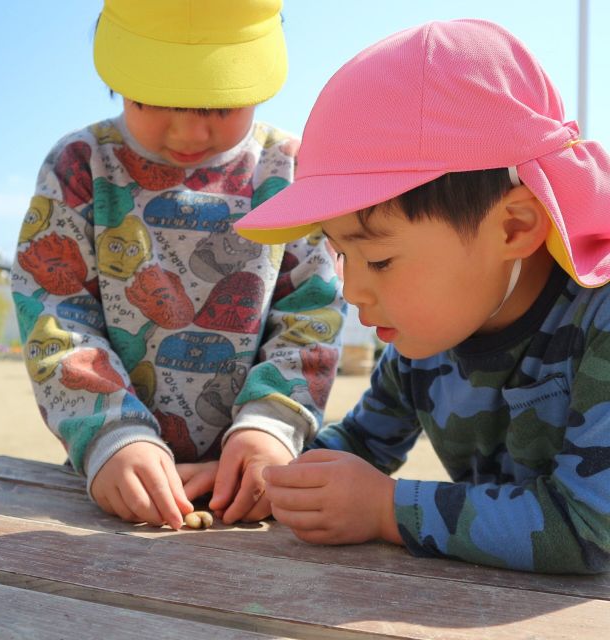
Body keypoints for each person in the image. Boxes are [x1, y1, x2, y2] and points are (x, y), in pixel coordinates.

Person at [234, 19, 610, 573]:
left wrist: (387, 510)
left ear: (513, 228)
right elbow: (360, 444)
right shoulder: (424, 339)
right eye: (342, 255)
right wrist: (271, 477)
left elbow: (590, 526)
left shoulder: (597, 318)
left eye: (380, 259)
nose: (353, 289)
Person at [11, 0, 344, 531]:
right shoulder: (79, 166)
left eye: (220, 106)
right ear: (118, 79)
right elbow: (57, 315)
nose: (190, 133)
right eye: (155, 99)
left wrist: (270, 428)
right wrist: (112, 435)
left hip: (252, 478)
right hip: (120, 476)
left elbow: (312, 312)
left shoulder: (289, 171)